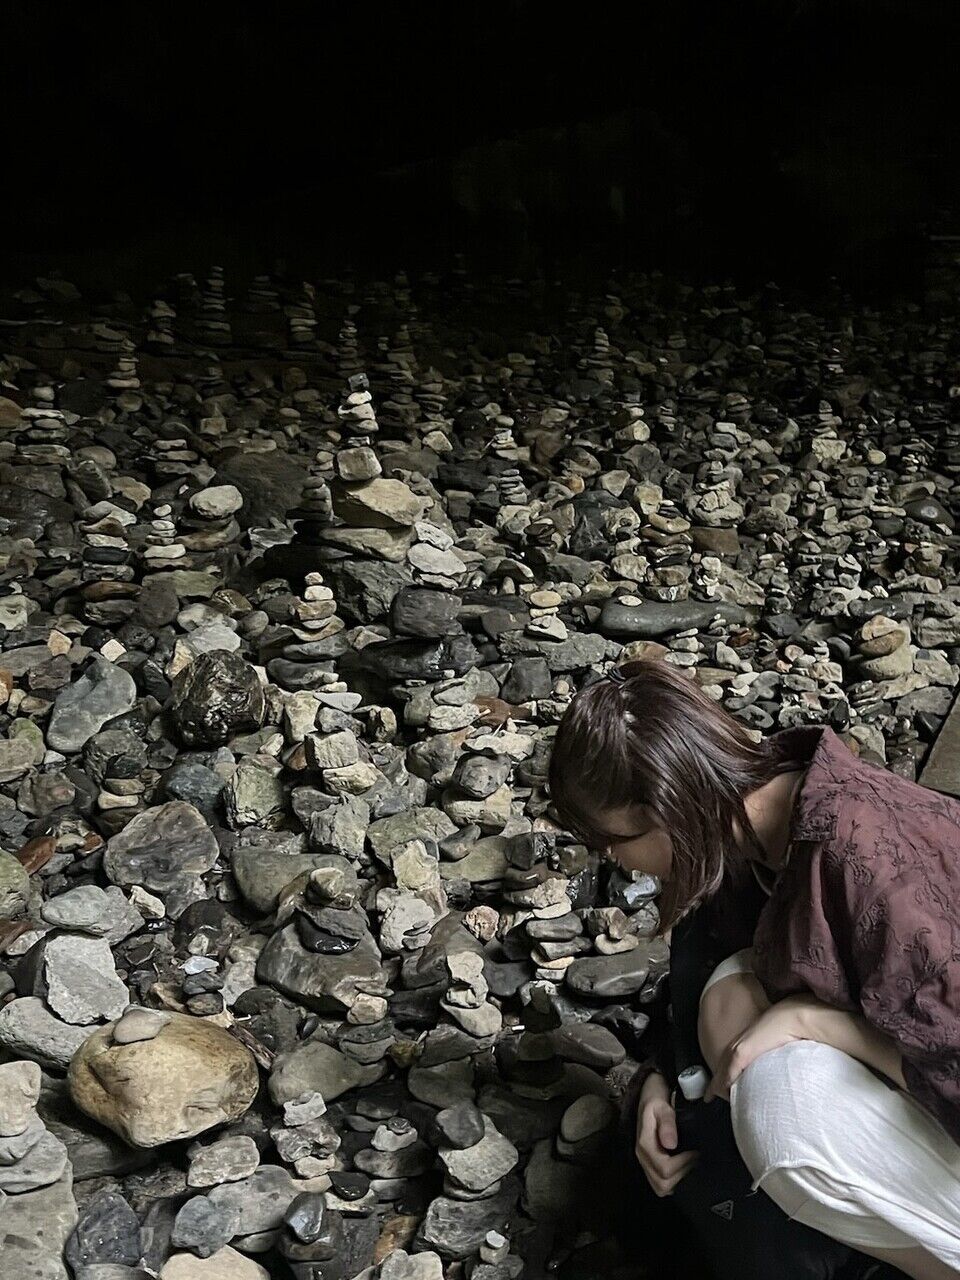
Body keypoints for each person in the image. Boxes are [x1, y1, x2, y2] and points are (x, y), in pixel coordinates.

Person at [548, 656, 960, 1279]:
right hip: (908, 1081)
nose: (616, 862)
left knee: (781, 1106)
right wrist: (660, 1083)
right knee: (722, 985)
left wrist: (815, 1024)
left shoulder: (870, 860)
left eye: (612, 841)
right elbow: (699, 980)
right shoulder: (752, 826)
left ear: (668, 806)